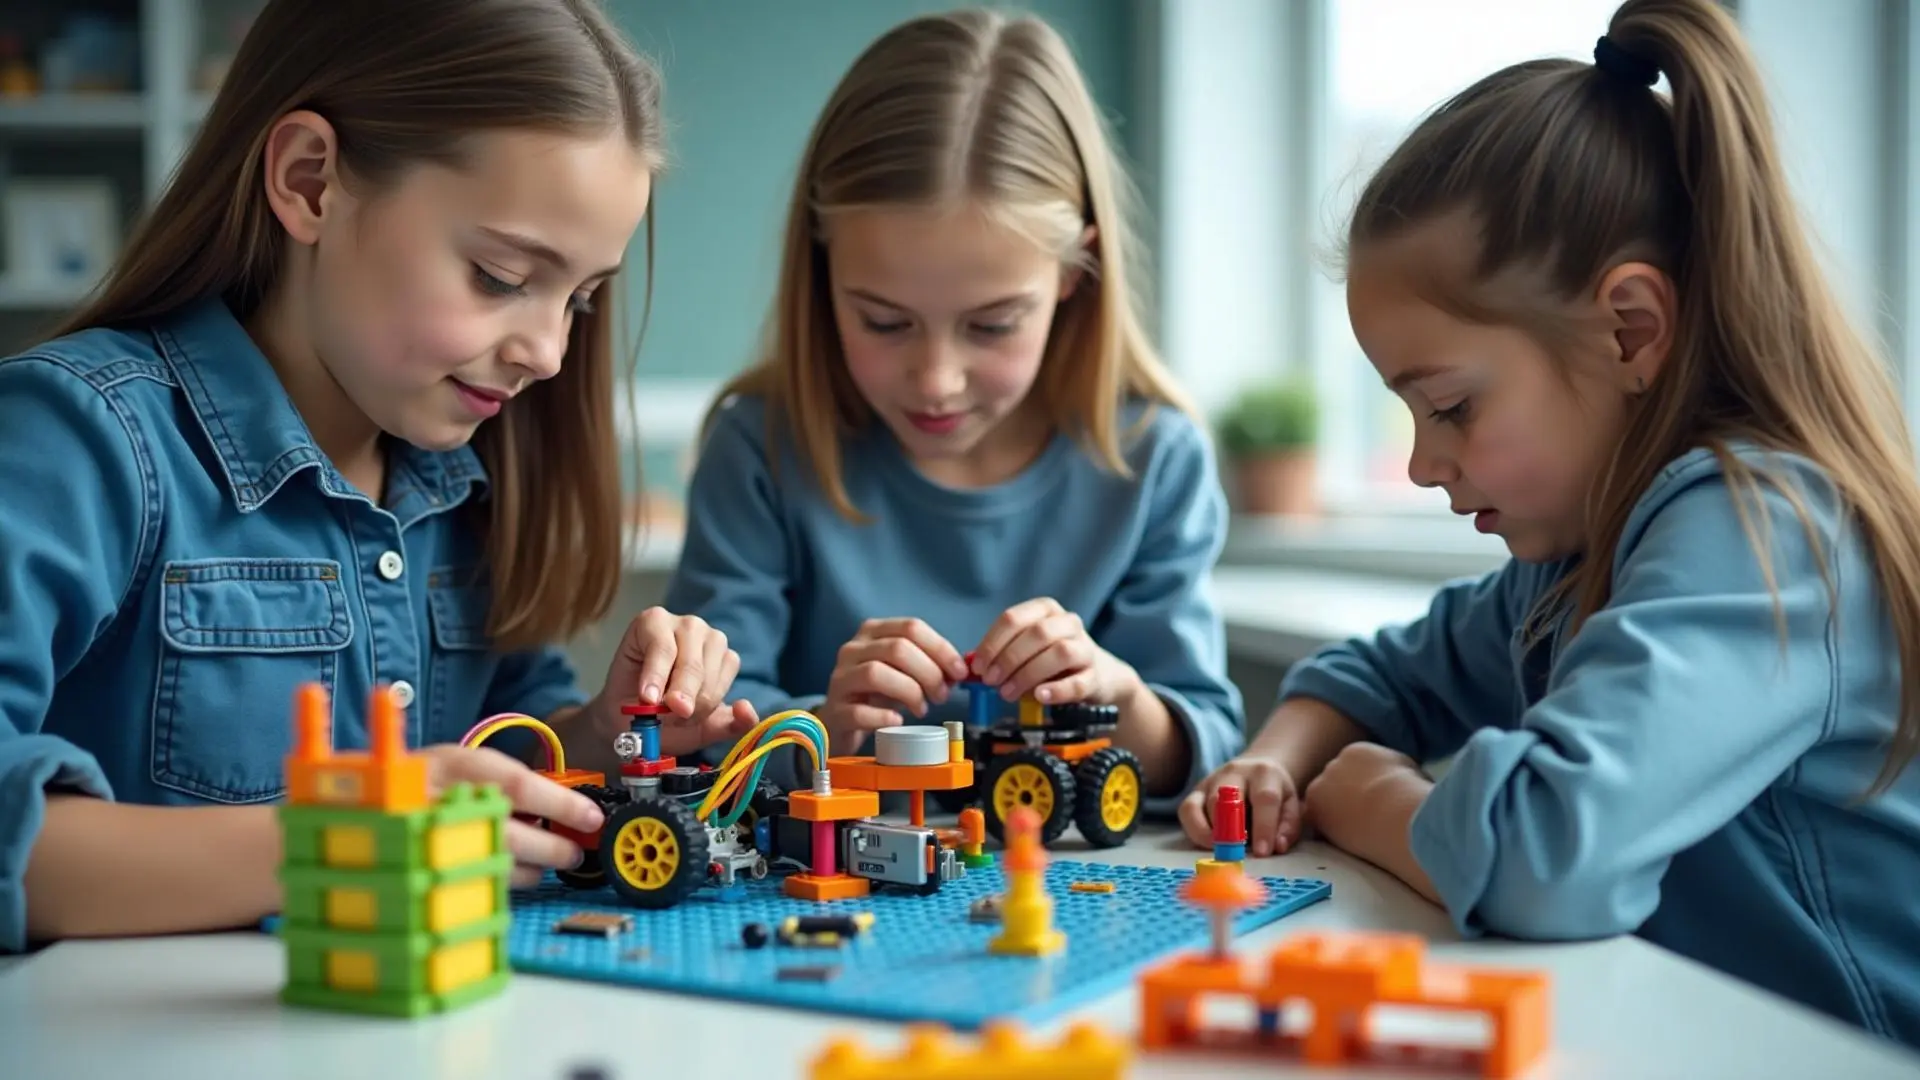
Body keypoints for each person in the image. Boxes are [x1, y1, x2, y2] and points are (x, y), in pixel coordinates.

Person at [1181, 0, 1920, 1047]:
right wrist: (1278, 757)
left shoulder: (1761, 534)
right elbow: (1395, 672)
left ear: (1630, 332)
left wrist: (1365, 794)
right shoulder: (1576, 555)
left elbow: (1548, 861)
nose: (1424, 460)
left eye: (1450, 406)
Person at [0, 0, 751, 953]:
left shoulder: (467, 477)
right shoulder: (77, 439)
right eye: (500, 275)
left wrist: (606, 732)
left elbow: (505, 750)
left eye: (582, 298)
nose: (553, 352)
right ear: (310, 182)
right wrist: (358, 840)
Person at [663, 8, 1244, 809]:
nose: (936, 380)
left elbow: (1202, 746)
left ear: (1075, 273)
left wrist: (1117, 697)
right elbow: (698, 725)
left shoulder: (1153, 457)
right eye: (885, 321)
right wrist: (825, 724)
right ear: (822, 265)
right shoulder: (759, 449)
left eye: (992, 325)